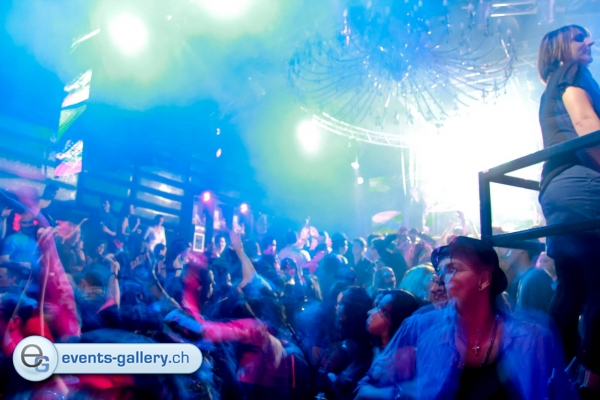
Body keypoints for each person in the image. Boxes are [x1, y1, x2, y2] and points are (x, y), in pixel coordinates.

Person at [356, 236, 571, 399]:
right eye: (442, 271)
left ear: (483, 280)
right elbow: (363, 388)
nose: (443, 279)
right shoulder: (420, 326)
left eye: (453, 269)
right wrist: (400, 393)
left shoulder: (533, 337)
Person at [537, 24, 600, 394]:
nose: (589, 41)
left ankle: (551, 373)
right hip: (583, 183)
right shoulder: (573, 72)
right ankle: (592, 377)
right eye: (579, 37)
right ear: (559, 48)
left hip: (558, 189)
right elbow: (586, 124)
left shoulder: (552, 85)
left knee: (572, 289)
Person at [367, 289, 422, 356]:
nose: (370, 312)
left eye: (384, 313)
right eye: (378, 307)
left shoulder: (404, 358)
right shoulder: (377, 349)